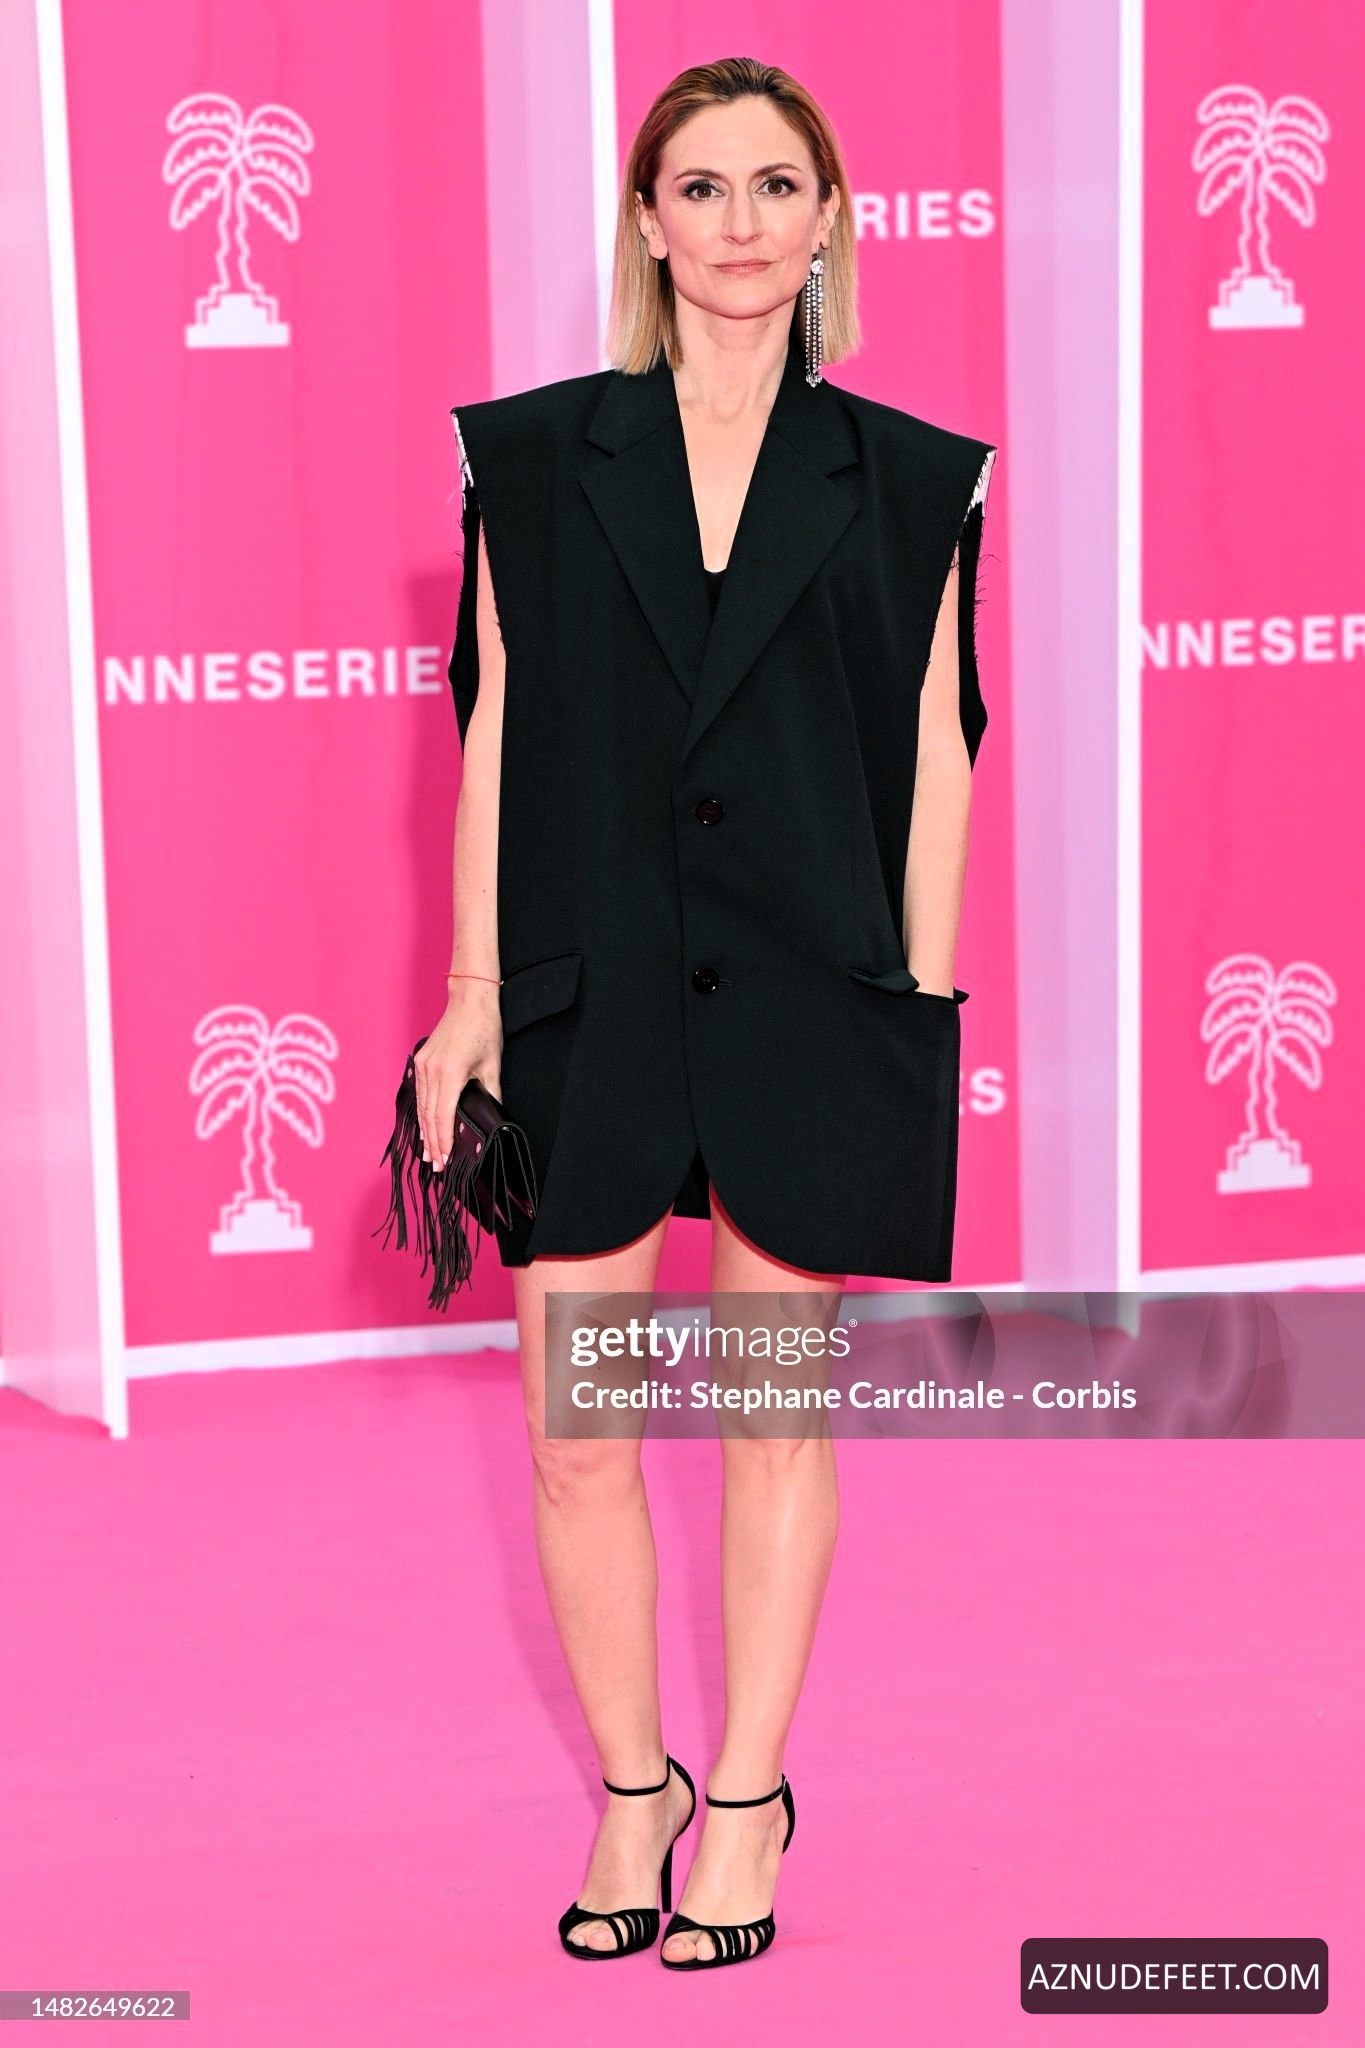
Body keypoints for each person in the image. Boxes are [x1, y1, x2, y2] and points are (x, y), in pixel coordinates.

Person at [413, 58, 998, 1970]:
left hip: (809, 994)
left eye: (774, 185)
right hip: (590, 996)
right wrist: (469, 1002)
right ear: (648, 223)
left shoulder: (914, 478)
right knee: (577, 1430)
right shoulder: (530, 459)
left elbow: (936, 753)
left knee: (767, 1421)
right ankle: (631, 1787)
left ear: (826, 220)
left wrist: (913, 1007)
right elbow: (495, 734)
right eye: (700, 186)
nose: (739, 222)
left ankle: (742, 1796)